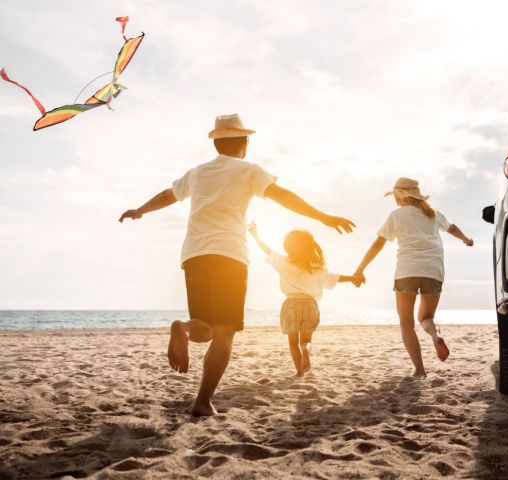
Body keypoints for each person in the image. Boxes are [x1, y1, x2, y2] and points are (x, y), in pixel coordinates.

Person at [119, 114, 355, 416]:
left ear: (216, 143)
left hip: (194, 254)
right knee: (224, 332)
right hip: (229, 255)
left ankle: (184, 330)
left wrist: (140, 210)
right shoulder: (248, 171)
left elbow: (168, 195)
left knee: (204, 327)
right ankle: (202, 401)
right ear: (244, 144)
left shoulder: (198, 173)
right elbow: (282, 196)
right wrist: (322, 216)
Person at [353, 177, 473, 378]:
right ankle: (436, 335)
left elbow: (378, 244)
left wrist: (360, 269)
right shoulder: (434, 214)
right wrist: (466, 239)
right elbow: (452, 228)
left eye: (395, 197)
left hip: (407, 272)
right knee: (426, 318)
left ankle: (419, 369)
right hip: (433, 271)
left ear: (401, 196)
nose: (395, 201)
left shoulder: (397, 215)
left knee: (406, 324)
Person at [248, 223, 360, 377]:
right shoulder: (317, 267)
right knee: (305, 341)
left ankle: (299, 372)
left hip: (291, 305)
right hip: (310, 305)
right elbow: (335, 278)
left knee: (293, 343)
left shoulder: (284, 262)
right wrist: (352, 278)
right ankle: (306, 350)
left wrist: (255, 235)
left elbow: (267, 250)